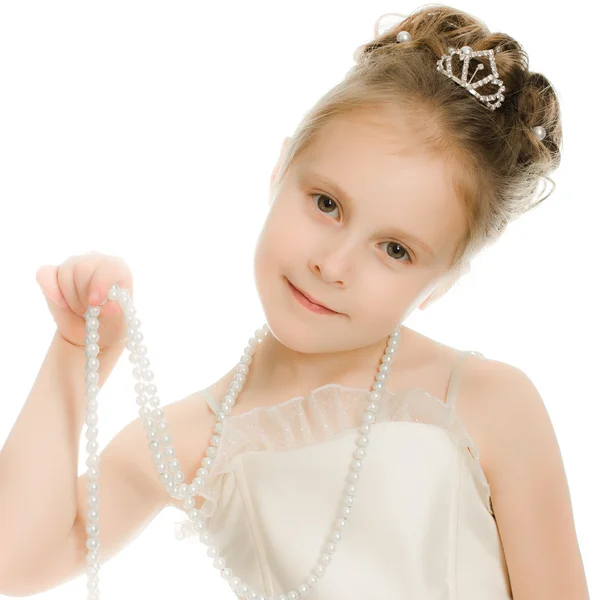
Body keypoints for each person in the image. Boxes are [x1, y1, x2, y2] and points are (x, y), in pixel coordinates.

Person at [0, 5, 590, 600]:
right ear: (281, 168)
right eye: (327, 204)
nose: (332, 267)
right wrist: (78, 349)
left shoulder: (487, 401)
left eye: (394, 249)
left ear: (440, 282)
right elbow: (14, 561)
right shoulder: (193, 438)